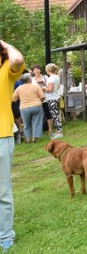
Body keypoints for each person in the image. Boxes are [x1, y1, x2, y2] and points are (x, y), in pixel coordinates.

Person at [0, 40, 25, 251]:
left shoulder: (6, 71)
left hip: (1, 136)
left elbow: (16, 58)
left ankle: (5, 236)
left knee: (2, 191)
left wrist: (3, 42)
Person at [12, 74, 44, 143]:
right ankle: (34, 138)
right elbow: (42, 96)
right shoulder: (35, 86)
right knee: (37, 122)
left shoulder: (19, 88)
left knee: (26, 124)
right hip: (36, 105)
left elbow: (13, 99)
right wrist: (38, 102)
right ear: (29, 80)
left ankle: (28, 139)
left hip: (24, 107)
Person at [43, 63, 63, 139]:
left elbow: (50, 90)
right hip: (56, 97)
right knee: (56, 115)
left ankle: (59, 131)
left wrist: (44, 88)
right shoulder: (56, 77)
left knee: (55, 115)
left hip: (51, 98)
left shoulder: (51, 78)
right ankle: (58, 131)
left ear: (48, 70)